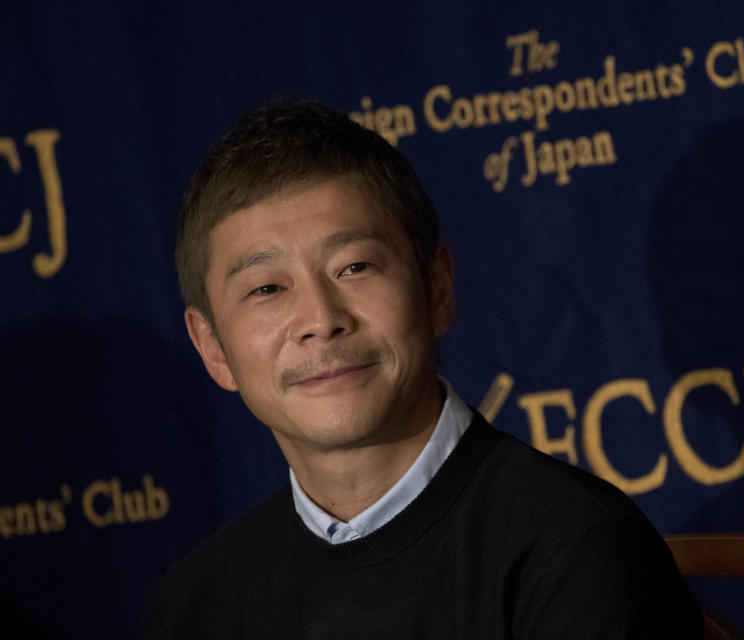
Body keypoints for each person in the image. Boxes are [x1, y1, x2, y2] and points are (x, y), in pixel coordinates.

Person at [141, 99, 703, 639]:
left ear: (436, 288)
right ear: (213, 347)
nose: (321, 319)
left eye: (355, 266)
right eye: (267, 288)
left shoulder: (575, 551)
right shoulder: (194, 607)